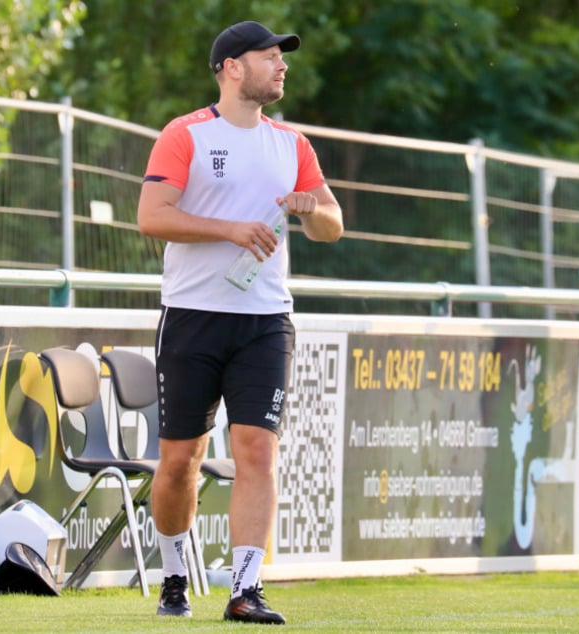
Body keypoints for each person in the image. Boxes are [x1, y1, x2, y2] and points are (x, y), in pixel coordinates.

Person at [137, 20, 343, 624]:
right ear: (231, 67)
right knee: (180, 462)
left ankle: (245, 589)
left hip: (266, 321)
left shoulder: (293, 144)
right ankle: (175, 577)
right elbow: (152, 215)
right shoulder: (185, 134)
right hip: (194, 318)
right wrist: (229, 229)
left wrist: (312, 210)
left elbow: (333, 223)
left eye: (282, 58)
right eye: (270, 56)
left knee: (256, 452)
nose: (281, 66)